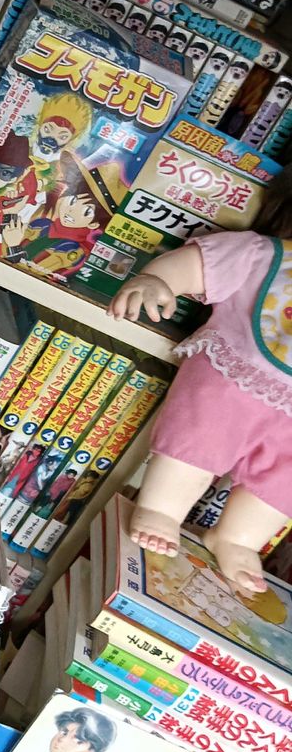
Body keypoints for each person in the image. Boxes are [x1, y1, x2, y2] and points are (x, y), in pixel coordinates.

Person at [108, 165, 292, 595]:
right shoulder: (264, 256)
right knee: (201, 434)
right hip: (234, 382)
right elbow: (199, 264)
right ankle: (162, 508)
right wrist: (157, 280)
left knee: (283, 485)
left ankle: (238, 538)